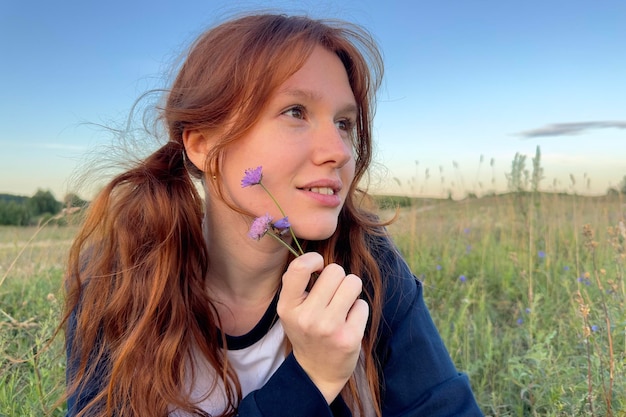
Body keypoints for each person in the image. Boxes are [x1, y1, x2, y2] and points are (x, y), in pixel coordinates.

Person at [61, 13, 484, 417]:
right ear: (202, 145)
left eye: (344, 123)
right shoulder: (120, 279)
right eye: (296, 112)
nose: (338, 151)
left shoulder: (367, 269)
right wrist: (311, 378)